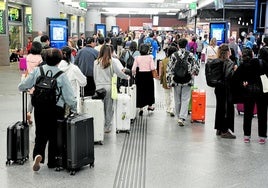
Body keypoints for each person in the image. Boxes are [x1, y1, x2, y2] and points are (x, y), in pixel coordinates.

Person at [18, 48, 77, 172]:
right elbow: (69, 97)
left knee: (40, 133)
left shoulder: (38, 71)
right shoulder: (61, 75)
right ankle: (52, 161)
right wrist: (74, 108)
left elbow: (23, 86)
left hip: (39, 107)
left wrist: (24, 82)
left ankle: (38, 154)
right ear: (59, 60)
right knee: (54, 135)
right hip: (56, 109)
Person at [93, 45, 129, 133]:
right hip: (108, 87)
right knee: (108, 107)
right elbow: (118, 73)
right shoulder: (111, 61)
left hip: (98, 87)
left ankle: (98, 125)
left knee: (99, 107)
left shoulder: (96, 62)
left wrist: (96, 85)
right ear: (109, 52)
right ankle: (107, 126)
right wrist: (126, 77)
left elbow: (94, 75)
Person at [237, 47, 267, 144]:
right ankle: (262, 137)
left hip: (248, 91)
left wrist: (243, 84)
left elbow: (236, 78)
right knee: (262, 113)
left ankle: (247, 136)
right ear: (253, 54)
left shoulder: (243, 65)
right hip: (262, 91)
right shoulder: (262, 63)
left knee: (248, 113)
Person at [166, 38, 199, 126]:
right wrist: (193, 73)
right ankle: (182, 117)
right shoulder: (191, 55)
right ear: (186, 45)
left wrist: (168, 82)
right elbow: (196, 68)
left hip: (176, 80)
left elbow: (169, 69)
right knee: (185, 99)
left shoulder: (174, 55)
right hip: (187, 80)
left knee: (177, 99)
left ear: (178, 45)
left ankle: (178, 116)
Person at [213, 44, 237, 138]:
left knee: (220, 108)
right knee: (227, 109)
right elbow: (228, 76)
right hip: (226, 88)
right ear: (228, 52)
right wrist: (234, 70)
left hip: (218, 88)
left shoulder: (217, 61)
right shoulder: (229, 62)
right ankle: (224, 130)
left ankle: (219, 129)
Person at [58, 46, 87, 116]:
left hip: (58, 99)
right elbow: (83, 82)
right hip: (71, 99)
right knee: (71, 122)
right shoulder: (74, 68)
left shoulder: (56, 68)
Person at [132, 44, 158, 116]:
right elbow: (152, 68)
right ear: (147, 50)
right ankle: (150, 107)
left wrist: (134, 74)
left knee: (140, 91)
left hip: (140, 76)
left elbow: (133, 69)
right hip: (148, 76)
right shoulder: (150, 57)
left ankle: (141, 108)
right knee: (149, 91)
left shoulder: (137, 58)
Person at [25, 41, 43, 125]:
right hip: (38, 81)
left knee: (31, 98)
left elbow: (26, 69)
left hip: (29, 79)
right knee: (38, 100)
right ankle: (34, 115)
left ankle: (29, 112)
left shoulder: (28, 57)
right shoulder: (40, 58)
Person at [160, 46, 177, 117]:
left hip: (165, 79)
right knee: (173, 94)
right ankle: (172, 108)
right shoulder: (176, 60)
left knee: (166, 94)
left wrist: (161, 80)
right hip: (174, 79)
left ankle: (167, 108)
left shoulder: (164, 60)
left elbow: (162, 72)